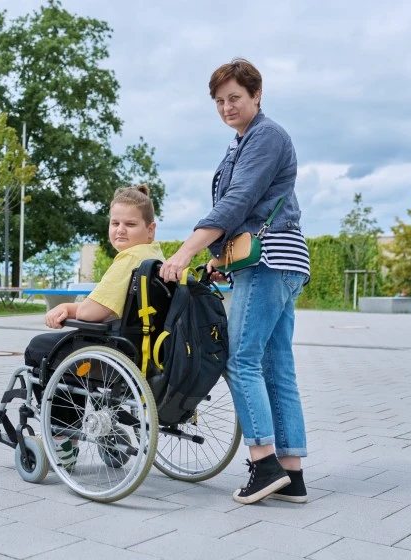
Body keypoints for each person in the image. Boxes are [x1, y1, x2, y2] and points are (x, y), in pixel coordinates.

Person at [159, 58, 311, 504]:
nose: (227, 107)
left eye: (235, 98)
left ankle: (262, 464)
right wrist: (218, 258)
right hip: (273, 260)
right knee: (275, 366)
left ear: (257, 95)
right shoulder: (242, 142)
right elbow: (245, 208)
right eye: (220, 101)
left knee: (240, 359)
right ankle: (291, 473)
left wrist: (186, 250)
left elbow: (239, 200)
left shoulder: (266, 135)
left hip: (270, 261)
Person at [24, 184, 165, 470]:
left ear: (150, 229)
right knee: (68, 349)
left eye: (130, 224)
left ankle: (64, 439)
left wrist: (67, 308)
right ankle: (105, 427)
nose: (120, 230)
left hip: (117, 353)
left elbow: (95, 311)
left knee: (43, 349)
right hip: (143, 353)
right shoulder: (156, 256)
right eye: (115, 223)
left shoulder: (130, 259)